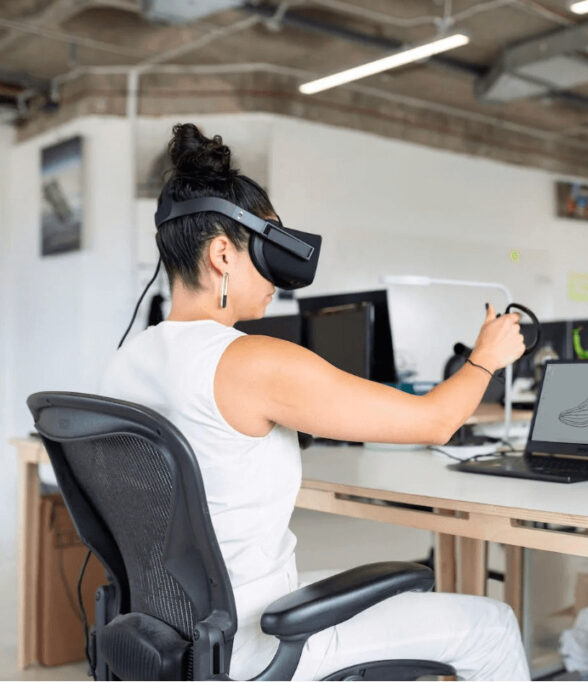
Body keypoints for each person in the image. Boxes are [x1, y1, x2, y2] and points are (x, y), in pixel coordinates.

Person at [100, 123, 530, 680]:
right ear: (224, 254)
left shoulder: (124, 362)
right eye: (267, 244)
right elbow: (438, 421)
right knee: (491, 625)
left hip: (174, 629)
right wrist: (485, 358)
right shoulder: (253, 361)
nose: (278, 274)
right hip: (256, 640)